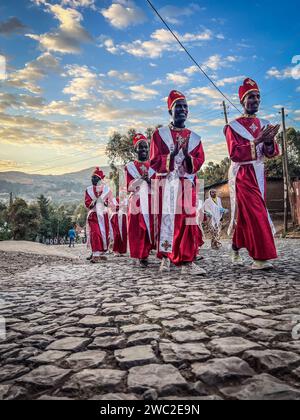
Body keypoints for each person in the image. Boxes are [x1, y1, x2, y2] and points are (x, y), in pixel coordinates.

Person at [224, 78, 280, 270]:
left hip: (259, 173)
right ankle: (260, 257)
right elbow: (234, 153)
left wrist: (270, 142)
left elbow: (271, 153)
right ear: (242, 101)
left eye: (258, 96)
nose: (255, 100)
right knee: (257, 212)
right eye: (251, 97)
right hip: (243, 174)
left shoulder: (265, 124)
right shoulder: (233, 126)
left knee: (249, 215)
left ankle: (235, 246)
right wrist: (257, 141)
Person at [150, 90, 206, 275]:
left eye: (185, 106)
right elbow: (154, 161)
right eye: (178, 106)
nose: (182, 109)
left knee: (187, 221)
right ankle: (166, 257)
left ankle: (187, 261)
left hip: (187, 183)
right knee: (167, 219)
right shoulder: (159, 135)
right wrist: (171, 156)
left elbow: (199, 161)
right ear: (170, 111)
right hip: (167, 183)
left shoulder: (195, 138)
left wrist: (189, 157)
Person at [125, 134, 155, 268]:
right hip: (136, 200)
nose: (143, 149)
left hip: (150, 198)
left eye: (145, 147)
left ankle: (147, 252)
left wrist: (151, 181)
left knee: (150, 226)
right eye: (140, 147)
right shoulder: (130, 166)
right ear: (135, 149)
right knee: (138, 228)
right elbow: (129, 186)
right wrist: (141, 180)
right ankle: (140, 255)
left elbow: (159, 183)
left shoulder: (153, 165)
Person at [85, 167, 113, 264]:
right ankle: (95, 254)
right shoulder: (88, 190)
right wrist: (94, 202)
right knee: (95, 233)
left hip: (103, 214)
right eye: (92, 177)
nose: (93, 179)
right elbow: (87, 202)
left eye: (95, 178)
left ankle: (100, 253)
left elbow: (110, 202)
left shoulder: (106, 189)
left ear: (100, 179)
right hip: (93, 214)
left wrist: (105, 202)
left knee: (103, 234)